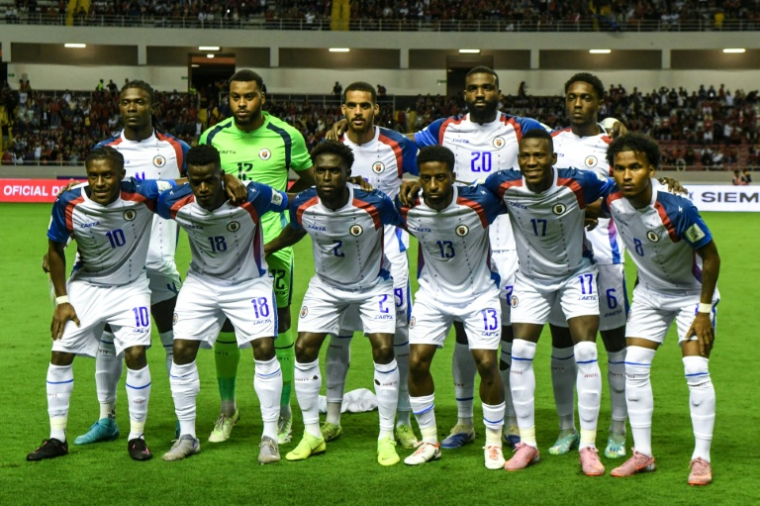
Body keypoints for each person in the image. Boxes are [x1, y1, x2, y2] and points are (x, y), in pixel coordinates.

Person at [412, 66, 546, 449]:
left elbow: (562, 146)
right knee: (462, 330)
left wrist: (609, 126)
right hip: (462, 236)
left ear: (499, 91)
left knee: (509, 333)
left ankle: (513, 420)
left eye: (487, 87)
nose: (480, 93)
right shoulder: (443, 129)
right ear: (464, 94)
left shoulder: (522, 127)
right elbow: (402, 146)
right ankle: (463, 421)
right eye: (473, 89)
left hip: (511, 236)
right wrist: (350, 133)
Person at [27, 147, 174, 462]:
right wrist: (62, 300)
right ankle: (56, 437)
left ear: (121, 175)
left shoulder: (144, 193)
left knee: (136, 352)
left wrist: (224, 178)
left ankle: (137, 436)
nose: (100, 182)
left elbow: (188, 186)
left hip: (131, 288)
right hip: (87, 286)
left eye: (107, 175)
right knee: (60, 352)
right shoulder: (69, 202)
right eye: (93, 175)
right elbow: (55, 248)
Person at [482, 129, 611, 476]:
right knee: (520, 354)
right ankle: (528, 443)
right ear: (518, 159)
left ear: (553, 158)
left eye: (540, 156)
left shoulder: (579, 182)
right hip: (531, 279)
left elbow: (622, 193)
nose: (532, 162)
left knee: (585, 353)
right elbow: (467, 197)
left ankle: (588, 445)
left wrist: (593, 209)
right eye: (526, 156)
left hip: (576, 274)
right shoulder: (503, 183)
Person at [266, 141, 403, 466]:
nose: (327, 177)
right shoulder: (303, 203)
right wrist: (265, 249)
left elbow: (405, 221)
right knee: (303, 348)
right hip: (326, 288)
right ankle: (312, 433)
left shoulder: (374, 203)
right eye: (321, 171)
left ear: (348, 174)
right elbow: (296, 230)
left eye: (334, 171)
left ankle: (386, 436)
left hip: (373, 286)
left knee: (384, 349)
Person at [199, 69, 315, 445]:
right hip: (227, 249)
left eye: (249, 96)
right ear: (228, 98)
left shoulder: (285, 136)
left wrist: (279, 199)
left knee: (279, 325)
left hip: (273, 245)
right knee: (227, 327)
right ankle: (228, 409)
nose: (241, 104)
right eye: (235, 97)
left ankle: (283, 413)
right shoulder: (212, 136)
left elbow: (310, 178)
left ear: (262, 97)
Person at [72, 80, 191, 445]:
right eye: (126, 102)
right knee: (109, 343)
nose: (133, 107)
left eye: (140, 102)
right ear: (119, 107)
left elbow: (190, 194)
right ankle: (107, 418)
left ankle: (181, 419)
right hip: (115, 269)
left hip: (159, 264)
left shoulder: (176, 149)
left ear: (152, 105)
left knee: (176, 342)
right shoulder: (104, 149)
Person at [158, 145, 288, 464]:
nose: (203, 189)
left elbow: (295, 203)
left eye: (210, 180)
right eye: (196, 181)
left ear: (221, 176)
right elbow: (131, 189)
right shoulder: (174, 202)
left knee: (264, 349)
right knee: (181, 351)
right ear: (187, 178)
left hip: (249, 283)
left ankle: (270, 437)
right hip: (201, 283)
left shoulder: (252, 197)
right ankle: (188, 436)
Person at [604, 134, 719, 486]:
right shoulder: (610, 198)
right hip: (650, 296)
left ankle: (701, 457)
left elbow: (712, 257)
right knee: (634, 369)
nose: (627, 175)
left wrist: (703, 311)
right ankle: (643, 454)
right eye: (620, 168)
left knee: (695, 369)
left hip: (690, 296)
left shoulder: (677, 209)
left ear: (651, 170)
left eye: (635, 168)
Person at [397, 146, 507, 469]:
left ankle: (493, 443)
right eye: (426, 178)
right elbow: (371, 206)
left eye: (440, 178)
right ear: (418, 179)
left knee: (487, 363)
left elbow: (521, 200)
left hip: (479, 295)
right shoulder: (407, 206)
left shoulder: (479, 201)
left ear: (453, 178)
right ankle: (430, 441)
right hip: (433, 294)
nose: (433, 186)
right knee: (417, 363)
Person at [323, 82, 419, 449]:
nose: (358, 112)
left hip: (389, 252)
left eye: (365, 106)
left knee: (398, 337)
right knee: (339, 334)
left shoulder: (397, 145)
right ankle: (332, 418)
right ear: (343, 110)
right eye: (351, 106)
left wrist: (413, 192)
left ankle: (404, 420)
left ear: (376, 109)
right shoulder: (333, 147)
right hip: (341, 254)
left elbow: (427, 173)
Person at [547, 73, 628, 458]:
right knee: (562, 342)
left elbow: (631, 194)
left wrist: (598, 207)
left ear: (599, 103)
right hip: (560, 258)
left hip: (606, 254)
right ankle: (566, 427)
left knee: (614, 343)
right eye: (572, 98)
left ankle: (617, 428)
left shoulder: (615, 145)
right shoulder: (550, 143)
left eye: (586, 98)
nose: (578, 103)